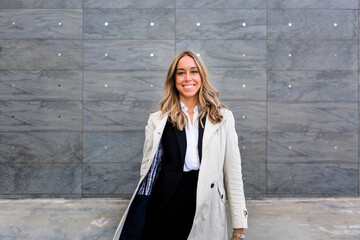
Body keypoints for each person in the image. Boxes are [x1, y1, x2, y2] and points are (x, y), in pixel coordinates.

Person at [113, 50, 248, 240]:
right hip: (165, 203)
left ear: (201, 76)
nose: (188, 78)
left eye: (194, 71)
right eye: (181, 72)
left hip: (205, 202)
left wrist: (239, 229)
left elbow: (233, 173)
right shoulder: (158, 119)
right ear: (173, 79)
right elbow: (147, 169)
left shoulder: (222, 117)